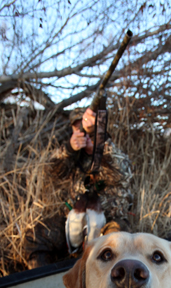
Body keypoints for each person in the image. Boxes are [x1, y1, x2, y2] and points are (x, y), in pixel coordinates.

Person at [23, 106, 133, 268]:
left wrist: (99, 138)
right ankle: (45, 285)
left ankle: (106, 287)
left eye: (88, 126)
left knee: (118, 241)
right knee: (35, 235)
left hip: (109, 222)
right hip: (73, 225)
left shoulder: (110, 153)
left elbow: (122, 173)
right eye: (78, 126)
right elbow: (50, 172)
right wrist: (69, 149)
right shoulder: (73, 157)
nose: (84, 131)